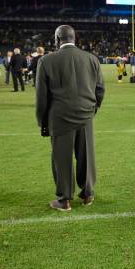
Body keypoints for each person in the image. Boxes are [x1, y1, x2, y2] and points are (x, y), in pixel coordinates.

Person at [36, 25, 105, 211]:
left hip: (59, 118)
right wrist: (92, 109)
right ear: (75, 38)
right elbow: (100, 90)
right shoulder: (92, 59)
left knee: (62, 158)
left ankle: (65, 199)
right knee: (87, 156)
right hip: (86, 116)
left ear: (57, 39)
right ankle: (88, 194)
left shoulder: (46, 61)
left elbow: (42, 98)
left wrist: (42, 123)